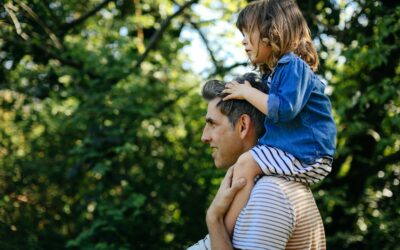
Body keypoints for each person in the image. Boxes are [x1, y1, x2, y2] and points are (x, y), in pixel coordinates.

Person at [221, 0, 337, 235]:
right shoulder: (274, 73)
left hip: (307, 154)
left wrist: (247, 91)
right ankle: (232, 223)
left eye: (247, 32)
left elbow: (284, 109)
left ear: (272, 31)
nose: (243, 40)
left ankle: (223, 233)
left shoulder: (294, 66)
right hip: (292, 150)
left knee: (245, 163)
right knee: (239, 167)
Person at [188, 73, 326, 249]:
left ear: (243, 126)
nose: (204, 137)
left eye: (212, 124)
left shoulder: (269, 192)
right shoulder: (258, 188)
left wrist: (214, 220)